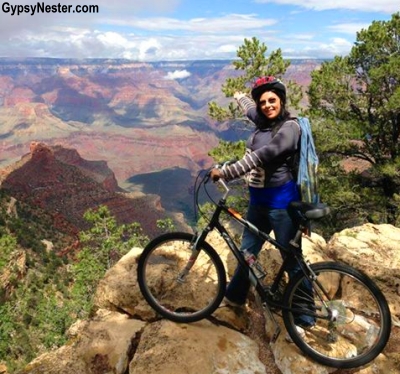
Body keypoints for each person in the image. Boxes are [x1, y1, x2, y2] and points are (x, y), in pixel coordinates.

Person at [210, 76, 315, 330]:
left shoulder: (289, 128)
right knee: (247, 252)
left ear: (282, 101)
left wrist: (227, 171)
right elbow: (250, 110)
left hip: (282, 206)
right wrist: (240, 97)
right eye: (263, 102)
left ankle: (306, 314)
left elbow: (265, 154)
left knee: (292, 259)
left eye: (272, 100)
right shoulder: (263, 119)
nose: (267, 105)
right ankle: (235, 296)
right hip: (258, 204)